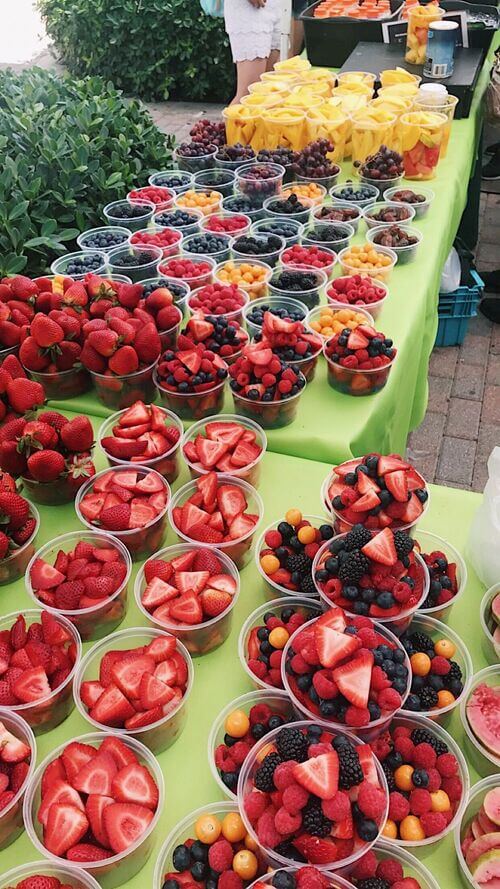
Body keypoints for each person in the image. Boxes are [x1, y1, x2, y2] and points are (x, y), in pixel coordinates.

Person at [224, 0, 282, 104]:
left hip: (280, 7)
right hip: (248, 8)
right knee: (248, 96)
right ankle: (231, 120)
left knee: (269, 94)